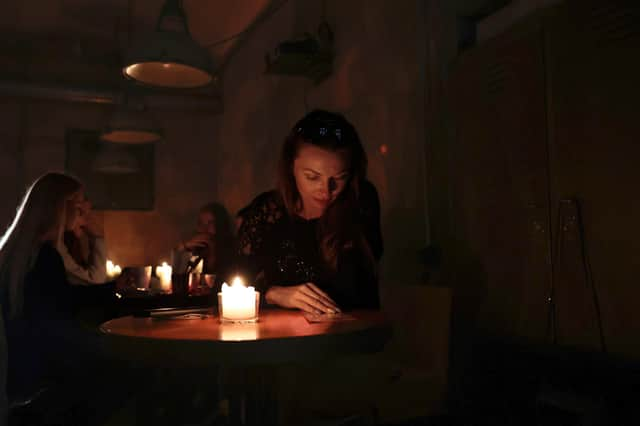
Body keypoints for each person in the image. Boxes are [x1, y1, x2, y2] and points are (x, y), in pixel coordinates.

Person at [0, 172, 125, 424]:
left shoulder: (19, 254)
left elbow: (58, 298)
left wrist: (110, 289)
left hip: (21, 364)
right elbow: (61, 312)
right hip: (42, 372)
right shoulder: (45, 256)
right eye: (77, 205)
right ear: (59, 208)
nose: (84, 212)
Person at [235, 109, 383, 313]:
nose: (326, 190)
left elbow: (361, 290)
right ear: (290, 168)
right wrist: (272, 293)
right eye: (312, 177)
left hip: (348, 336)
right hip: (280, 339)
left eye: (339, 178)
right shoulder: (267, 212)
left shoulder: (360, 201)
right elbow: (228, 288)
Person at [58, 191, 108, 286]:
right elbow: (95, 283)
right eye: (79, 207)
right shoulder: (53, 246)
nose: (86, 214)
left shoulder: (69, 239)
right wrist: (98, 237)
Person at [174, 202, 234, 279]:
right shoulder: (195, 250)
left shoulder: (231, 250)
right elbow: (178, 274)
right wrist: (184, 246)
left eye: (210, 223)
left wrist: (212, 250)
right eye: (201, 223)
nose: (204, 228)